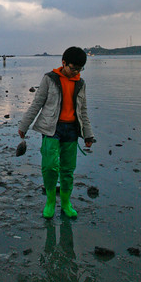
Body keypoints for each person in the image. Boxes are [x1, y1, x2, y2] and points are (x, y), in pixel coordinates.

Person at [18, 46, 94, 219]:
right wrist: (24, 125)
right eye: (72, 68)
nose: (75, 72)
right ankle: (50, 201)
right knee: (50, 166)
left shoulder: (80, 83)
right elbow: (37, 103)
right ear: (63, 63)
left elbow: (83, 111)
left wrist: (88, 135)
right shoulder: (49, 79)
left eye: (79, 69)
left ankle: (66, 203)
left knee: (68, 170)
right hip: (51, 129)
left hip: (72, 131)